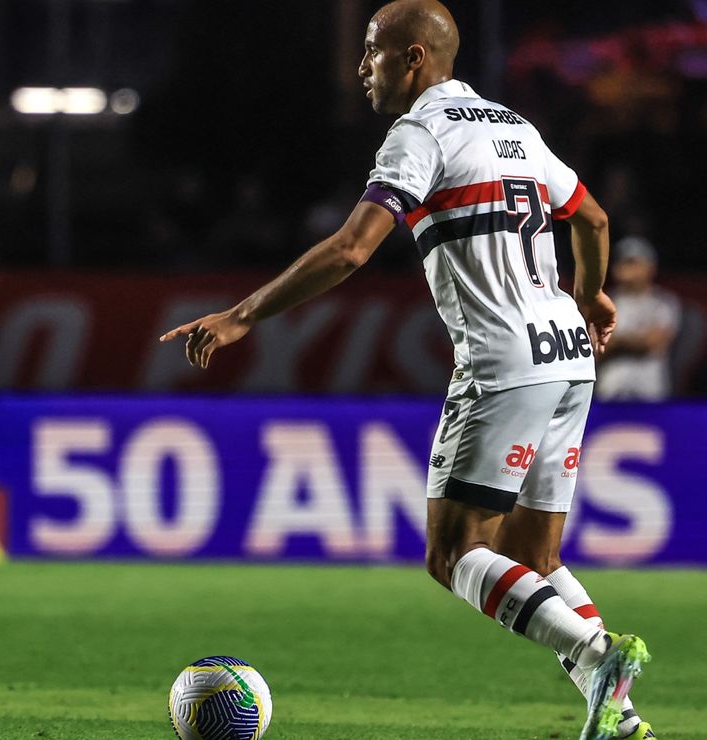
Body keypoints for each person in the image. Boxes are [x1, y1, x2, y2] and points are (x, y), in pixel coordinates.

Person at [159, 2, 655, 738]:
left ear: (415, 58)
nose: (364, 67)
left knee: (455, 553)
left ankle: (597, 651)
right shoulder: (515, 126)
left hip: (505, 360)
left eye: (374, 52)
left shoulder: (420, 132)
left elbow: (352, 248)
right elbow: (593, 219)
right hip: (567, 355)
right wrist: (586, 297)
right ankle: (621, 716)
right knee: (535, 556)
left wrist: (242, 315)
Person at [595, 235, 681, 400]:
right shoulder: (603, 303)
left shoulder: (663, 302)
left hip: (650, 392)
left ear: (650, 267)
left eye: (634, 262)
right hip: (610, 389)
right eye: (623, 262)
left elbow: (652, 344)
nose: (627, 268)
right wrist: (634, 340)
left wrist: (617, 342)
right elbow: (597, 349)